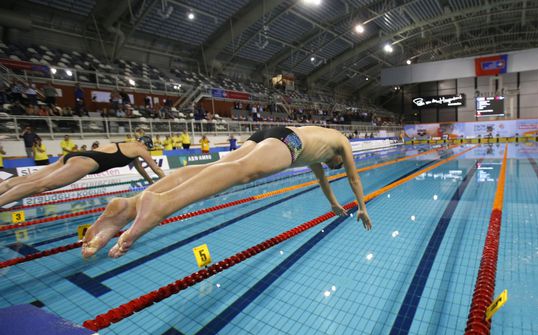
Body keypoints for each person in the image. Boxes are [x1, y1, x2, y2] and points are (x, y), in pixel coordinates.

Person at [82, 126, 372, 259]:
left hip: (273, 133)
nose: (332, 166)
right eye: (336, 165)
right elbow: (353, 177)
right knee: (243, 172)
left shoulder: (320, 150)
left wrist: (333, 203)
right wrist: (362, 206)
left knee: (219, 166)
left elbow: (323, 180)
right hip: (289, 141)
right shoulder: (341, 142)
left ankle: (130, 206)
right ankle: (161, 203)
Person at [0, 137, 165, 207]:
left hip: (76, 156)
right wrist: (169, 182)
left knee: (30, 178)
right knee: (40, 186)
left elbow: (141, 169)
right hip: (87, 163)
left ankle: (4, 187)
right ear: (146, 145)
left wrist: (151, 184)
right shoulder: (140, 148)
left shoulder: (129, 147)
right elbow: (155, 167)